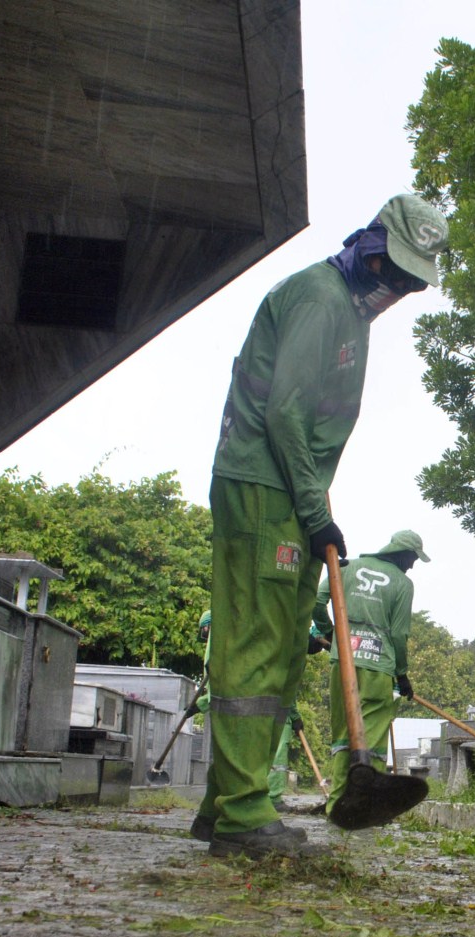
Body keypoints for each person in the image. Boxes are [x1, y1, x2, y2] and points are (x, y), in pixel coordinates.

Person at [193, 196, 449, 858]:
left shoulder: (348, 310)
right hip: (265, 487)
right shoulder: (320, 298)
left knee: (279, 648)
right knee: (257, 645)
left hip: (283, 487)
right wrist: (315, 514)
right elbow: (286, 413)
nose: (398, 289)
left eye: (412, 282)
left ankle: (225, 804)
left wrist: (314, 507)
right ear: (369, 248)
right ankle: (242, 815)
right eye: (394, 272)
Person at [311, 530, 428, 816]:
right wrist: (402, 674)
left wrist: (330, 633)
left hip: (343, 662)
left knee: (343, 735)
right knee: (372, 739)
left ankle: (336, 804)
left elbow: (316, 603)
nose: (412, 565)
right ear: (401, 553)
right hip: (379, 666)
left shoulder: (346, 567)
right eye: (413, 558)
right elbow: (398, 634)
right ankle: (366, 807)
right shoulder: (402, 583)